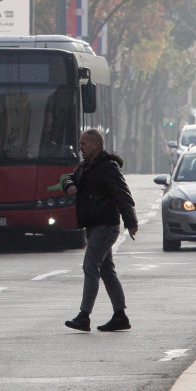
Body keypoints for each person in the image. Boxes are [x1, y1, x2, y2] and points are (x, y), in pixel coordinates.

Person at [62, 128, 138, 333]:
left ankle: (84, 316)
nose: (80, 148)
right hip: (95, 225)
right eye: (80, 144)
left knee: (90, 266)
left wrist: (131, 222)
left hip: (106, 226)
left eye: (84, 144)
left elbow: (123, 194)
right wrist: (68, 185)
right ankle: (120, 316)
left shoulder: (108, 167)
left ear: (96, 144)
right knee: (107, 271)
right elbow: (68, 177)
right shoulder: (85, 166)